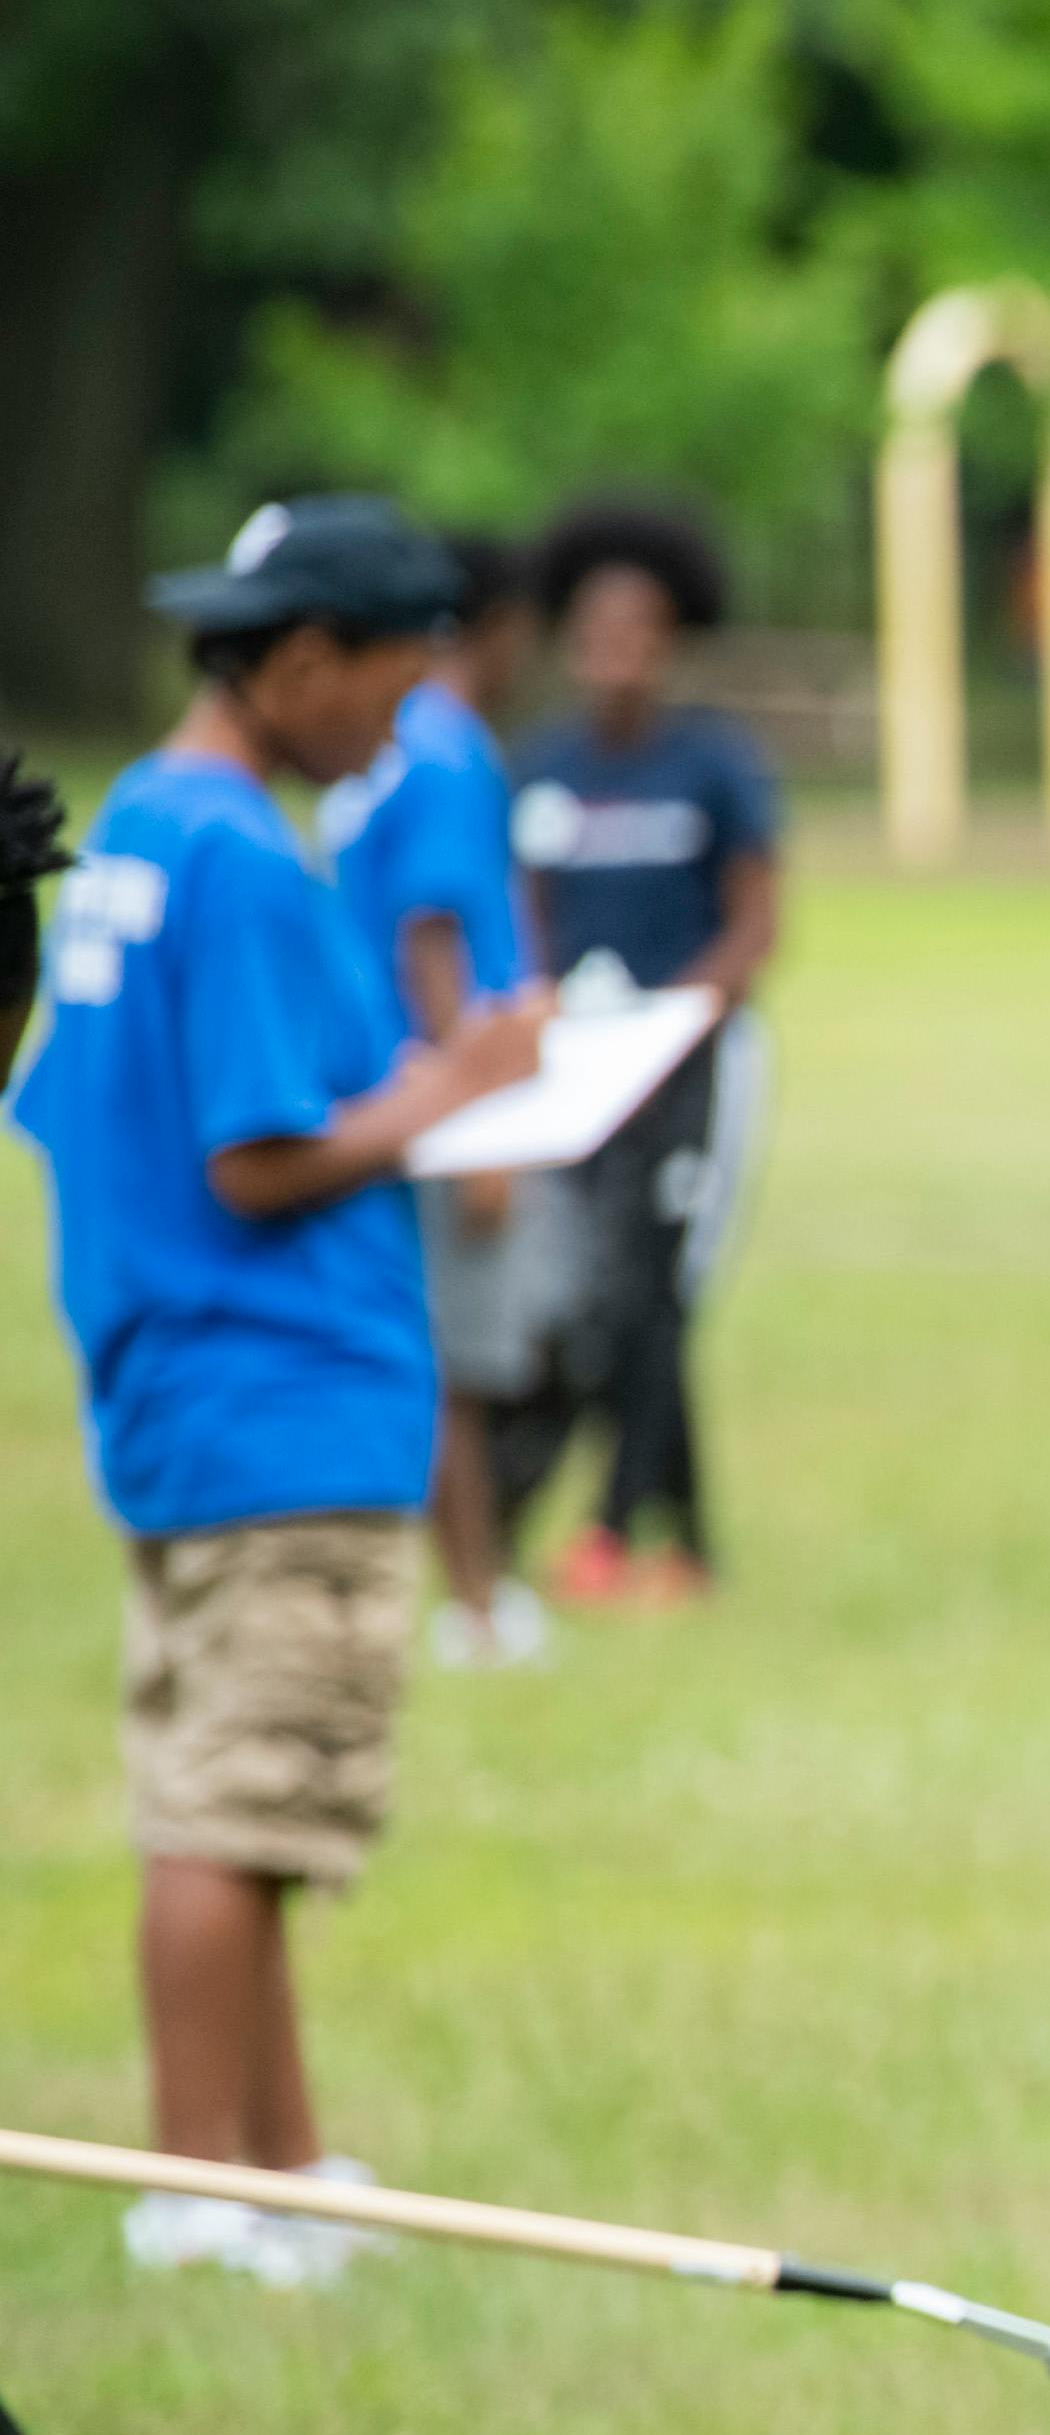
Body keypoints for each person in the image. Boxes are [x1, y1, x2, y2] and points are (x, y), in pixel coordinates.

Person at [20, 501, 546, 2285]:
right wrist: (462, 1079)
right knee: (235, 1809)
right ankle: (201, 2186)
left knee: (244, 1796)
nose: (397, 739)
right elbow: (262, 1156)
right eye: (392, 695)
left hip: (182, 1383)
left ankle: (286, 2169)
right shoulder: (240, 855)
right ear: (305, 658)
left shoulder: (139, 833)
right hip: (280, 1395)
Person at [498, 494, 782, 1606]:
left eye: (641, 631)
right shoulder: (541, 769)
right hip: (573, 1069)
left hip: (689, 1066)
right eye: (598, 630)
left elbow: (756, 920)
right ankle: (690, 1544)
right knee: (609, 1297)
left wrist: (680, 1014)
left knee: (657, 1291)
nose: (618, 653)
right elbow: (521, 914)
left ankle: (616, 1531)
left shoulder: (711, 764)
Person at [319, 528, 551, 1667]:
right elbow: (434, 935)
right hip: (441, 1089)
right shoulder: (450, 748)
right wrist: (480, 1125)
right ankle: (474, 1602)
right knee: (451, 1356)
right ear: (496, 630)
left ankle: (456, 1591)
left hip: (373, 1079)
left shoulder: (380, 747)